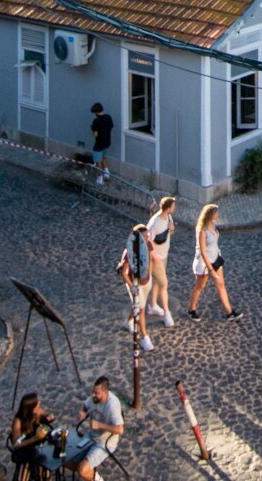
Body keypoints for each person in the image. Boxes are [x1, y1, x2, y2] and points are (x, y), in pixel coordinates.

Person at [187, 202, 241, 320]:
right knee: (200, 287)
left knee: (221, 285)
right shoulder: (202, 230)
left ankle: (229, 312)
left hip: (216, 259)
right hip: (204, 264)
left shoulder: (213, 225)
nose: (218, 214)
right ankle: (191, 309)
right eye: (216, 212)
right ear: (210, 215)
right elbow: (202, 251)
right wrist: (211, 270)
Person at [70, 377, 124, 479]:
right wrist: (82, 411)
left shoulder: (112, 404)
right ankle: (87, 472)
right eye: (92, 392)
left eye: (96, 393)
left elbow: (120, 429)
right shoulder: (94, 399)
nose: (93, 395)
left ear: (105, 392)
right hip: (90, 436)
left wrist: (99, 425)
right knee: (67, 459)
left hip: (104, 442)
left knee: (82, 470)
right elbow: (85, 406)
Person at [118, 222, 156, 352]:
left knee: (139, 307)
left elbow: (150, 259)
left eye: (147, 236)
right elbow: (124, 272)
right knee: (141, 310)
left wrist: (150, 274)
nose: (147, 238)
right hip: (136, 284)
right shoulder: (129, 251)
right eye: (144, 236)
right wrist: (132, 286)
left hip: (146, 281)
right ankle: (144, 337)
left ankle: (128, 321)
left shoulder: (148, 245)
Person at [145, 196, 179, 327]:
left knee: (157, 283)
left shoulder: (169, 218)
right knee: (164, 284)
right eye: (173, 206)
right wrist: (154, 256)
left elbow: (171, 232)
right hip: (156, 259)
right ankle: (166, 313)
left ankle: (153, 305)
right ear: (168, 208)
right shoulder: (155, 223)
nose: (174, 208)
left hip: (164, 256)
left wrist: (171, 229)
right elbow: (147, 241)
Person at [7, 392, 57, 479]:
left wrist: (49, 418)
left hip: (38, 449)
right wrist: (35, 438)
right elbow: (16, 445)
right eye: (37, 402)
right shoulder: (18, 421)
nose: (40, 403)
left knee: (45, 471)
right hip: (25, 452)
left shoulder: (38, 412)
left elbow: (45, 417)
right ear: (31, 408)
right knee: (22, 477)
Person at [89, 103, 114, 180]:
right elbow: (111, 127)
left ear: (96, 112)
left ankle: (100, 177)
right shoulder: (108, 117)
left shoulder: (96, 121)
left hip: (99, 143)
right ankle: (107, 172)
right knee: (103, 156)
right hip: (107, 141)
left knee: (97, 160)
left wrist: (92, 130)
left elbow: (95, 134)